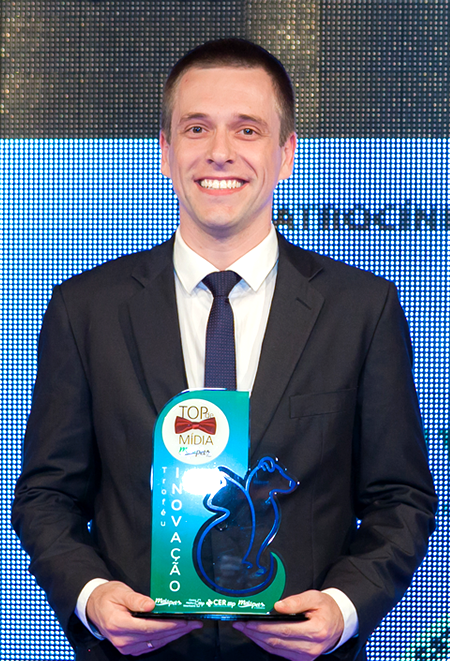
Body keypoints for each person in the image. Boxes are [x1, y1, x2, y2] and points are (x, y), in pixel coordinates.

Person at [12, 38, 436, 661]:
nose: (219, 151)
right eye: (196, 128)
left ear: (286, 153)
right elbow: (47, 495)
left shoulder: (361, 309)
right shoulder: (86, 308)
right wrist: (91, 596)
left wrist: (344, 608)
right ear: (165, 151)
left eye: (247, 129)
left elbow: (400, 498)